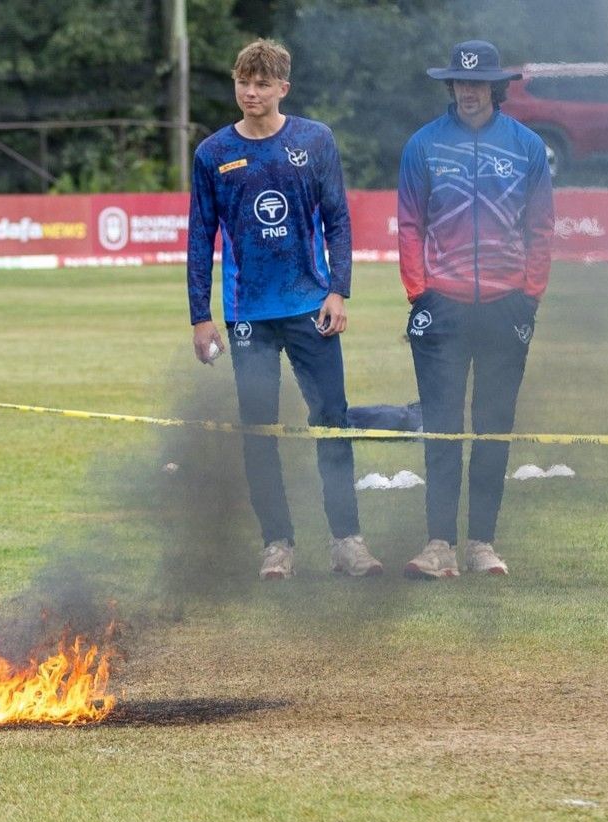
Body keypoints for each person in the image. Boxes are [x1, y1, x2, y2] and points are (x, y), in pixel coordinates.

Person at [186, 39, 382, 580]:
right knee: (259, 430)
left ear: (282, 89)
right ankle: (277, 544)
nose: (251, 93)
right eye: (243, 82)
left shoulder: (315, 141)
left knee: (332, 422)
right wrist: (200, 317)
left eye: (262, 84)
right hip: (248, 313)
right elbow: (200, 239)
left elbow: (339, 219)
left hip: (309, 306)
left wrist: (338, 289)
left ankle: (347, 542)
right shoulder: (212, 154)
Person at [396, 40, 553, 578]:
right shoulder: (423, 145)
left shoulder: (528, 147)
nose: (468, 91)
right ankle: (438, 544)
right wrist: (420, 291)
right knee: (441, 429)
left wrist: (530, 294)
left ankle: (481, 542)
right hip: (442, 304)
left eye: (478, 83)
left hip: (507, 304)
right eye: (460, 82)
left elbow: (541, 228)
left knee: (492, 428)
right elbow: (410, 224)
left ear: (495, 88)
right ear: (451, 86)